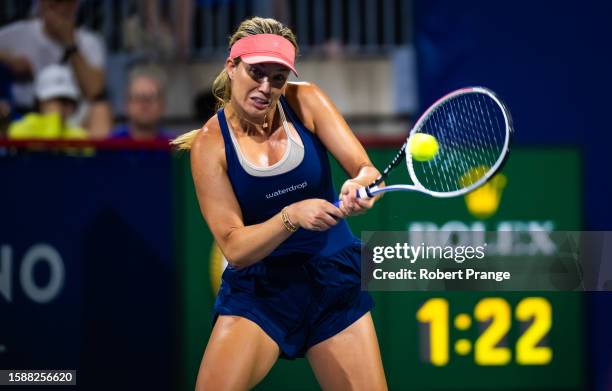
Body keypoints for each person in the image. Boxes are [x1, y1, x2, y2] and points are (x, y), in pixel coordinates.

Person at [172, 17, 388, 390]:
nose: (265, 87)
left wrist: (362, 184)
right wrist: (291, 216)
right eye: (256, 73)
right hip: (261, 291)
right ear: (231, 66)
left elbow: (367, 169)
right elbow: (235, 248)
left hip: (331, 279)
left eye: (278, 77)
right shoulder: (210, 145)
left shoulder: (307, 100)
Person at [0, 0, 112, 138]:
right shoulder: (16, 34)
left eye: (63, 3)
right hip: (21, 113)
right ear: (41, 5)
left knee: (100, 109)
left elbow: (95, 92)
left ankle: (94, 159)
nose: (58, 10)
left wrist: (70, 42)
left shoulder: (90, 42)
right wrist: (8, 59)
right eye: (52, 4)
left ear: (74, 6)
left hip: (72, 115)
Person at [8, 64, 86, 140]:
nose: (60, 107)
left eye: (66, 101)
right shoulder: (22, 127)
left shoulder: (77, 134)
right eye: (54, 100)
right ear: (40, 103)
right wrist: (53, 120)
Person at [110, 72, 170, 141]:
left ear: (162, 105)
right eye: (138, 97)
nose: (144, 105)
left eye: (150, 98)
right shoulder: (109, 146)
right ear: (126, 105)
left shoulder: (175, 147)